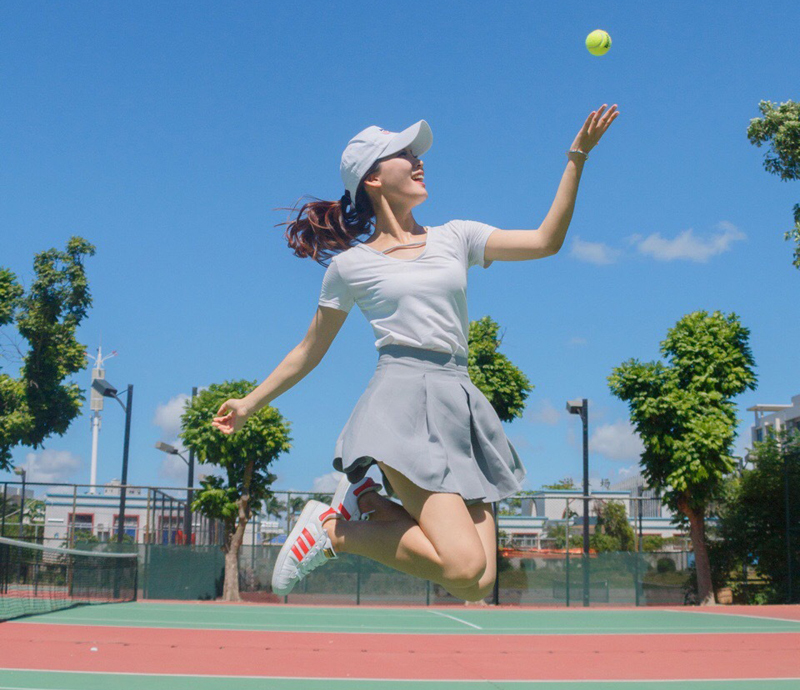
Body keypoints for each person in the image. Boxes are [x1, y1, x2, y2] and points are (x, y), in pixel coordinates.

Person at [212, 107, 619, 601]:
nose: (418, 161)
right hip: (402, 402)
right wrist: (250, 403)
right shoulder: (350, 266)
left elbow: (545, 241)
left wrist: (577, 158)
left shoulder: (456, 236)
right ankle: (333, 531)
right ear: (374, 178)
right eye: (404, 155)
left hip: (459, 399)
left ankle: (367, 503)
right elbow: (308, 349)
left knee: (476, 581)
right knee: (462, 562)